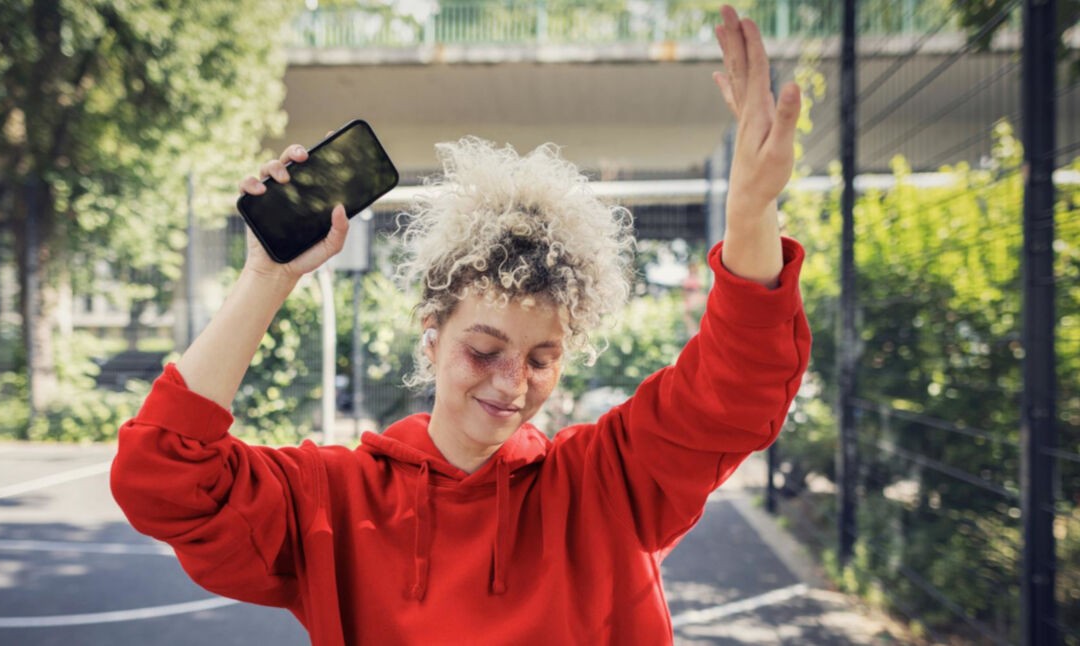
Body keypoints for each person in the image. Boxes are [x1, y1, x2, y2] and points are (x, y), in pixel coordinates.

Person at [110, 6, 811, 644]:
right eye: (484, 350)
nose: (512, 383)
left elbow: (736, 386)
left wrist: (751, 212)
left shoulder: (607, 484)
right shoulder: (332, 503)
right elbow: (161, 476)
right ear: (432, 334)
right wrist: (267, 277)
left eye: (542, 358)